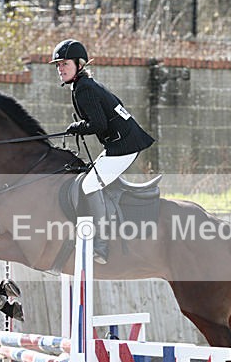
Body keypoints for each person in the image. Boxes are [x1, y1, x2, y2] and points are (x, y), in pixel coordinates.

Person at [50, 39, 156, 265]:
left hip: (124, 146)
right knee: (90, 179)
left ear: (79, 64)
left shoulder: (84, 88)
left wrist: (78, 127)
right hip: (121, 143)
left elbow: (98, 125)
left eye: (64, 64)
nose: (60, 69)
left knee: (89, 185)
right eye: (58, 65)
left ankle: (101, 244)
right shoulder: (86, 84)